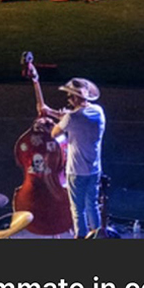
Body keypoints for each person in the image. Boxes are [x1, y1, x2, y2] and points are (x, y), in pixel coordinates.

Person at [40, 77, 105, 237]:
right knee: (92, 205)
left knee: (77, 209)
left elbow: (55, 133)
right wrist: (51, 111)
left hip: (76, 171)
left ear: (75, 98)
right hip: (94, 169)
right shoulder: (98, 111)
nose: (68, 99)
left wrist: (49, 122)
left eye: (70, 96)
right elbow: (71, 118)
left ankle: (80, 236)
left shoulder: (72, 118)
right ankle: (97, 235)